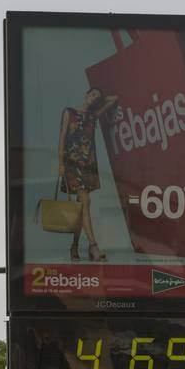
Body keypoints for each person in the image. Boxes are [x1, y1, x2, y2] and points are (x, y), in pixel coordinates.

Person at [58, 87, 118, 263]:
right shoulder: (69, 112)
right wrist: (61, 163)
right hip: (72, 165)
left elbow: (114, 98)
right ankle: (93, 246)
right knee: (86, 202)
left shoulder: (93, 116)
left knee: (81, 209)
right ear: (86, 94)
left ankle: (75, 245)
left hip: (88, 166)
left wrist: (101, 98)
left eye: (96, 98)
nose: (93, 99)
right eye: (92, 94)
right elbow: (62, 139)